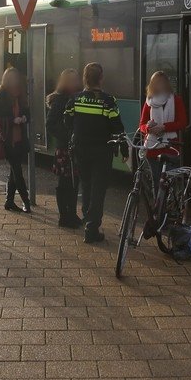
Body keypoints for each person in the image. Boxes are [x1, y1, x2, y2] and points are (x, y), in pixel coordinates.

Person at [64, 62, 125, 244]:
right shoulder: (108, 101)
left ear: (85, 79)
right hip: (102, 151)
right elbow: (117, 126)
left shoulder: (75, 99)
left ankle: (87, 216)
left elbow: (67, 120)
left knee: (87, 185)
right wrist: (124, 148)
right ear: (101, 78)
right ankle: (92, 228)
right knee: (99, 189)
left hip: (81, 149)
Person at [138, 70, 188, 199]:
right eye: (156, 83)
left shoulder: (176, 100)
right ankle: (158, 214)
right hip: (152, 149)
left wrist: (164, 127)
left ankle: (170, 212)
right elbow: (142, 125)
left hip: (170, 148)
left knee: (169, 182)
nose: (159, 85)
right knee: (156, 182)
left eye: (161, 82)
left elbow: (182, 123)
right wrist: (149, 129)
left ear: (166, 84)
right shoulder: (149, 102)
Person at [0, 67, 31, 213]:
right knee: (17, 171)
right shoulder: (0, 93)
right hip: (7, 139)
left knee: (14, 171)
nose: (14, 81)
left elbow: (27, 111)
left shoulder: (20, 93)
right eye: (11, 78)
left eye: (16, 78)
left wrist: (25, 117)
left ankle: (9, 201)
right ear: (6, 79)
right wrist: (14, 120)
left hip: (20, 139)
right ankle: (27, 201)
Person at [46, 68, 83, 228]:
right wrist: (67, 136)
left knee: (74, 182)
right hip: (65, 148)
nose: (77, 82)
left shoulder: (77, 97)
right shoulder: (60, 100)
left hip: (75, 147)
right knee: (65, 183)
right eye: (74, 79)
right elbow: (50, 124)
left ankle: (71, 214)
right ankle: (64, 216)